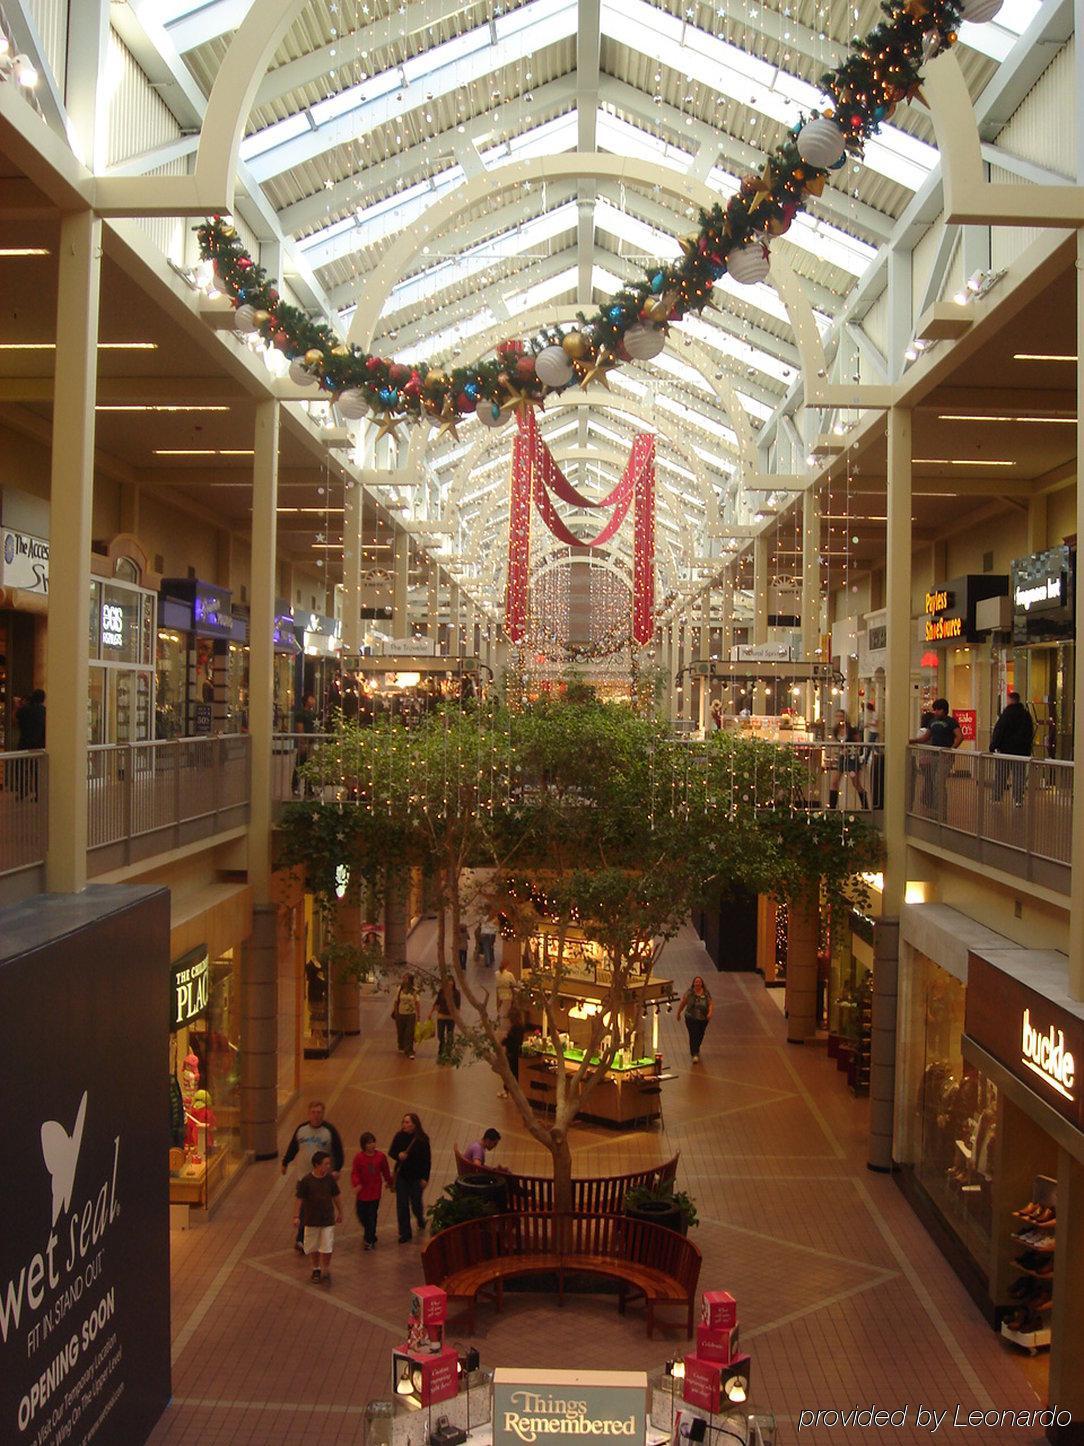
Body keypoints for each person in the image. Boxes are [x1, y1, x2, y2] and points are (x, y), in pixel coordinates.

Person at [281, 1100, 345, 1252]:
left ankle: (321, 1234)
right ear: (309, 1114)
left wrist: (337, 1169)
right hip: (304, 1177)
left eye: (319, 1112)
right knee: (304, 1207)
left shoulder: (329, 1131)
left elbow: (338, 1151)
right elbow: (293, 1147)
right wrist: (285, 1162)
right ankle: (301, 1238)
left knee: (320, 1206)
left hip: (323, 1179)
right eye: (313, 1112)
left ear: (323, 1113)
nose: (316, 1115)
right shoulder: (301, 1130)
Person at [294, 1150, 342, 1284]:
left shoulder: (330, 1179)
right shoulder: (306, 1181)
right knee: (313, 1247)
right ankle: (316, 1268)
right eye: (325, 1164)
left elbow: (336, 1196)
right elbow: (299, 1199)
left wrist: (340, 1212)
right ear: (317, 1165)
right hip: (311, 1219)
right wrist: (296, 1216)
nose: (328, 1166)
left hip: (327, 1219)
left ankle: (325, 1268)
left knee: (327, 1246)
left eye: (329, 1164)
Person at [911, 698, 962, 810]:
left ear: (944, 710)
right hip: (934, 755)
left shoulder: (951, 722)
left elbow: (959, 736)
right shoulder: (932, 722)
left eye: (938, 709)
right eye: (935, 710)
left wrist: (951, 750)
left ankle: (941, 809)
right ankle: (936, 806)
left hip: (945, 757)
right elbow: (926, 737)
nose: (936, 712)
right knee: (934, 782)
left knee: (939, 781)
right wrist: (913, 741)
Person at [388, 1112, 431, 1243]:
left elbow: (427, 1160)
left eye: (407, 1122)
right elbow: (392, 1152)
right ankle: (405, 1232)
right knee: (402, 1204)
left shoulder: (422, 1139)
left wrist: (425, 1178)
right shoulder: (399, 1136)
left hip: (416, 1177)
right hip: (402, 1176)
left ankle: (419, 1217)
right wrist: (398, 1155)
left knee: (416, 1202)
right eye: (403, 1122)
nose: (404, 1125)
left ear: (415, 1125)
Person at [989, 690, 1035, 806]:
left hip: (1006, 750)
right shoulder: (1026, 715)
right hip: (1021, 751)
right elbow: (1029, 733)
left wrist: (993, 745)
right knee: (1019, 775)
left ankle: (997, 797)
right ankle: (1018, 799)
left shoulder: (1006, 715)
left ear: (1010, 700)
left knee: (1001, 774)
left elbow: (999, 730)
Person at [351, 1131, 392, 1250]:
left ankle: (369, 1239)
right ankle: (370, 1232)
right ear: (363, 1145)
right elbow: (355, 1173)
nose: (372, 1145)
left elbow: (385, 1171)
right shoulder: (359, 1158)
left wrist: (390, 1182)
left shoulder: (380, 1157)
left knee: (372, 1216)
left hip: (374, 1192)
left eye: (373, 1142)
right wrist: (357, 1184)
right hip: (362, 1193)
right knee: (361, 1214)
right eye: (369, 1143)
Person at [827, 709, 869, 810]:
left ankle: (865, 804)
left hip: (852, 757)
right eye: (837, 716)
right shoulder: (836, 729)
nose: (839, 718)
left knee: (855, 782)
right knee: (834, 782)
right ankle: (832, 806)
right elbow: (837, 742)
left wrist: (851, 749)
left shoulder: (851, 729)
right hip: (842, 757)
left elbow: (858, 742)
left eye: (841, 716)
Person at [676, 975, 713, 1063]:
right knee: (694, 1034)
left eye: (699, 982)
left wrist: (710, 1013)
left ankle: (696, 1047)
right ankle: (694, 1053)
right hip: (691, 1017)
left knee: (701, 1034)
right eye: (696, 982)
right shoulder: (689, 993)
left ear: (702, 984)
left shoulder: (706, 993)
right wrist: (678, 1013)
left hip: (703, 1018)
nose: (697, 983)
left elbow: (710, 1003)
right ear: (693, 983)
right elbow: (683, 1003)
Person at [429, 975, 461, 1063]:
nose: (450, 983)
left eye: (451, 981)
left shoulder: (456, 993)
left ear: (454, 983)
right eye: (448, 981)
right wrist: (431, 1012)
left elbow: (458, 1006)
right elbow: (437, 1002)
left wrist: (457, 1016)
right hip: (441, 1016)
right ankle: (441, 1049)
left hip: (451, 1017)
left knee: (450, 1035)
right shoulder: (441, 991)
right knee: (440, 1034)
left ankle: (448, 1052)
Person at [498, 1005, 526, 1099]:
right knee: (514, 1073)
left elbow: (512, 1040)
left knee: (509, 1072)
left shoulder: (515, 1028)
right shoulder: (520, 1027)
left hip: (511, 1053)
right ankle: (510, 1090)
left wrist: (504, 1041)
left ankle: (507, 1090)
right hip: (515, 1053)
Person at [392, 972, 421, 1059]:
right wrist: (396, 1013)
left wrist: (418, 1015)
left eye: (406, 978)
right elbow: (396, 1001)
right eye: (403, 978)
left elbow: (417, 1003)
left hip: (411, 1015)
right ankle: (401, 1045)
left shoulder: (415, 990)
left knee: (409, 1033)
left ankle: (409, 1050)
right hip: (400, 1014)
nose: (404, 980)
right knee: (401, 1032)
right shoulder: (399, 989)